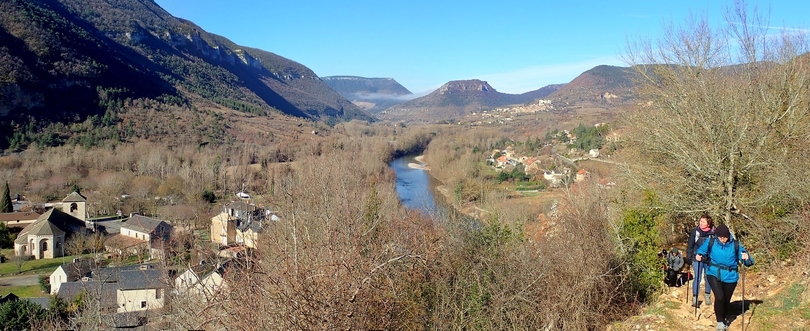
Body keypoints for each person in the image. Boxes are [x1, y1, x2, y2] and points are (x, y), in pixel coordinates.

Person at [695, 224, 754, 331]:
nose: (723, 239)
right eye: (721, 237)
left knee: (726, 300)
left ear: (728, 236)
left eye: (725, 237)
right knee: (720, 297)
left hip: (730, 276)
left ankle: (725, 316)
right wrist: (699, 255)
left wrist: (747, 258)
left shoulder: (735, 244)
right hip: (713, 273)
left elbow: (747, 259)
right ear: (717, 236)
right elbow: (701, 250)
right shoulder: (711, 242)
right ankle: (720, 322)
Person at [686, 214, 715, 307]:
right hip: (696, 258)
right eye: (700, 221)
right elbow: (690, 245)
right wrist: (689, 258)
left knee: (708, 277)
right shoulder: (695, 232)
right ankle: (695, 298)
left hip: (709, 259)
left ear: (708, 223)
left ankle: (707, 295)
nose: (701, 223)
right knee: (697, 278)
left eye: (703, 222)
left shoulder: (713, 233)